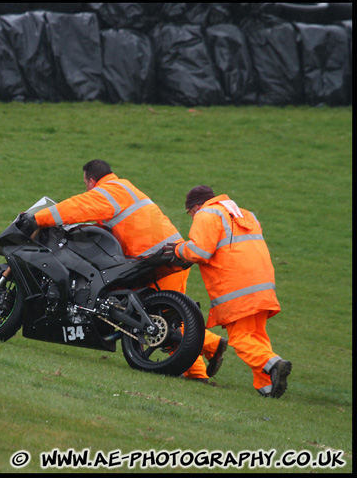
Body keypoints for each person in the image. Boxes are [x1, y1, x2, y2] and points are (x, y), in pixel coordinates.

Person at [28, 160, 227, 381]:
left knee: (157, 318)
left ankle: (211, 345)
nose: (86, 188)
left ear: (91, 181)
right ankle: (197, 370)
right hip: (172, 256)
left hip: (156, 260)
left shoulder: (107, 192)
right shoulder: (124, 188)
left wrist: (36, 218)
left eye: (86, 184)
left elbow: (75, 207)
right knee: (165, 315)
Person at [166, 185, 291, 398]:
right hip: (262, 284)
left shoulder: (206, 214)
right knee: (256, 335)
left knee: (241, 339)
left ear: (196, 206)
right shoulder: (244, 214)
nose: (192, 217)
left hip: (237, 288)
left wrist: (178, 249)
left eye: (190, 213)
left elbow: (199, 251)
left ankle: (272, 364)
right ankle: (267, 386)